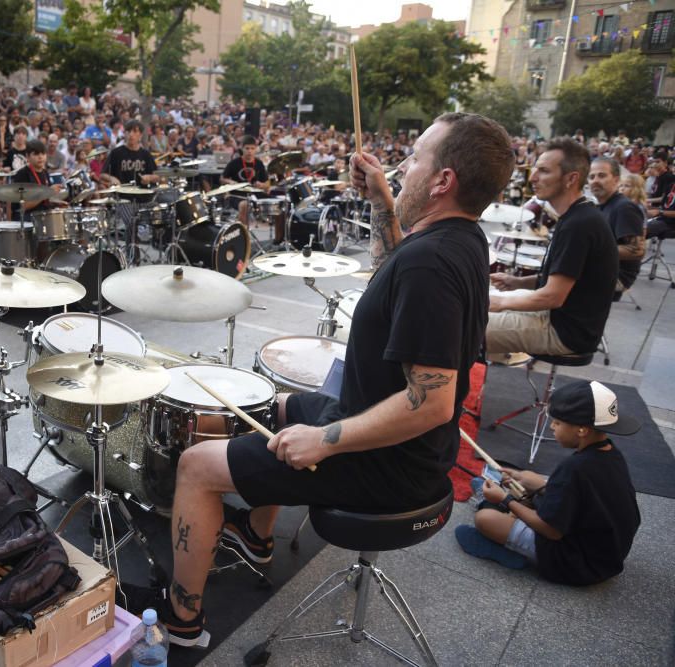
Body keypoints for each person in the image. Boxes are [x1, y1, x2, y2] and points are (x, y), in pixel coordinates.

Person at [158, 113, 514, 646]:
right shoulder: (458, 240)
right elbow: (398, 267)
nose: (403, 166)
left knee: (196, 465)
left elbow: (432, 404)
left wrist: (323, 440)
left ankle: (180, 621)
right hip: (383, 430)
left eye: (416, 157)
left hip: (387, 465)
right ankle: (257, 537)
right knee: (270, 405)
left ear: (443, 181)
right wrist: (381, 202)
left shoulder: (432, 265)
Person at [455, 380, 640, 586]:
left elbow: (551, 530)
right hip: (604, 555)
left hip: (575, 564)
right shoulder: (611, 454)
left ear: (581, 430)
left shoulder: (574, 468)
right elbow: (579, 495)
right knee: (529, 483)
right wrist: (535, 482)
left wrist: (506, 500)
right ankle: (493, 500)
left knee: (485, 519)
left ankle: (502, 541)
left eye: (557, 423)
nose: (551, 427)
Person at [487, 139, 618, 357]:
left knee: (461, 326)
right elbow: (564, 280)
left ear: (571, 179)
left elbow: (552, 297)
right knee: (469, 314)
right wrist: (518, 282)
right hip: (560, 319)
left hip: (564, 332)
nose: (533, 177)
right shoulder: (578, 216)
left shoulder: (579, 225)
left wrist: (499, 302)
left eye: (544, 171)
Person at [588, 158, 645, 295]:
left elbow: (637, 250)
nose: (595, 180)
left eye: (602, 175)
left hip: (616, 276)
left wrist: (589, 250)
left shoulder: (624, 207)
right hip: (600, 268)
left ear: (616, 179)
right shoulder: (602, 205)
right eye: (591, 177)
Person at [220, 135, 270, 226]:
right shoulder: (234, 163)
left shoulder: (259, 163)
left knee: (282, 204)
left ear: (256, 149)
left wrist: (261, 185)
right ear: (242, 148)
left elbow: (267, 183)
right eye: (247, 148)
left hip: (255, 193)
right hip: (237, 195)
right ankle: (243, 234)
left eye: (252, 148)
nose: (249, 151)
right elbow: (222, 178)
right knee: (244, 205)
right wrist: (230, 182)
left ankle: (279, 238)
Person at [9, 139, 65, 220]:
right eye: (36, 154)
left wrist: (56, 203)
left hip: (42, 216)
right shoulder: (22, 174)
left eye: (43, 153)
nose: (40, 157)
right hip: (27, 220)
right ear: (27, 156)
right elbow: (24, 205)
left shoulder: (45, 172)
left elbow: (43, 200)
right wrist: (47, 192)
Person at [102, 120, 158, 187]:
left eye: (135, 131)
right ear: (124, 134)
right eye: (128, 131)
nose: (131, 134)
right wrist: (112, 178)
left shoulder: (146, 154)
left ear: (140, 135)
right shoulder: (116, 153)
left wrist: (149, 178)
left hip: (143, 194)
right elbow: (103, 174)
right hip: (121, 194)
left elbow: (157, 176)